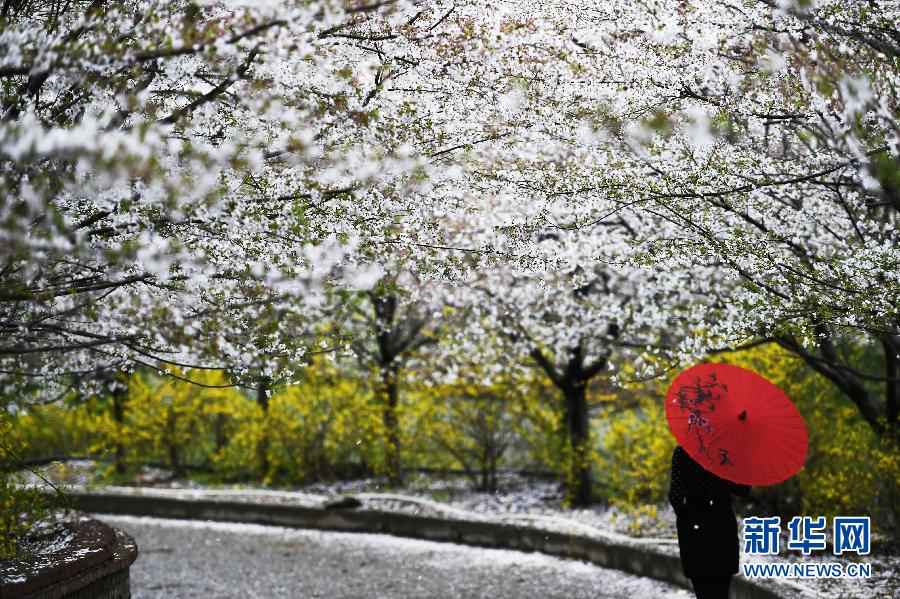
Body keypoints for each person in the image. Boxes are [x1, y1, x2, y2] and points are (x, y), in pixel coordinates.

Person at [668, 444, 751, 599]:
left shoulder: (684, 451)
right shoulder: (726, 452)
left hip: (694, 532)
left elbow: (675, 496)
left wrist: (688, 518)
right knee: (721, 592)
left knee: (703, 592)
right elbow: (743, 490)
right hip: (722, 527)